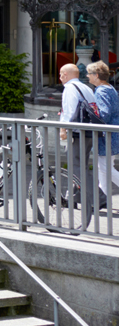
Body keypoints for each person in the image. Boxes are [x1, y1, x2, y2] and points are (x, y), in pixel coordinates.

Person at [58, 62, 101, 217]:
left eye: (62, 73)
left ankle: (98, 197)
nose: (60, 76)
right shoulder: (86, 87)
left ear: (68, 75)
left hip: (77, 132)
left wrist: (63, 130)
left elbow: (69, 112)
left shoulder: (69, 89)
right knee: (80, 164)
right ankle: (75, 197)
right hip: (88, 131)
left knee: (76, 166)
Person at [88, 61, 119, 197]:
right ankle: (102, 198)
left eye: (89, 74)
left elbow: (104, 114)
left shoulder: (101, 91)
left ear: (96, 75)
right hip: (112, 133)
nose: (88, 76)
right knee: (104, 167)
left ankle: (102, 198)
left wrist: (90, 112)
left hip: (106, 135)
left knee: (105, 167)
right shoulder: (110, 88)